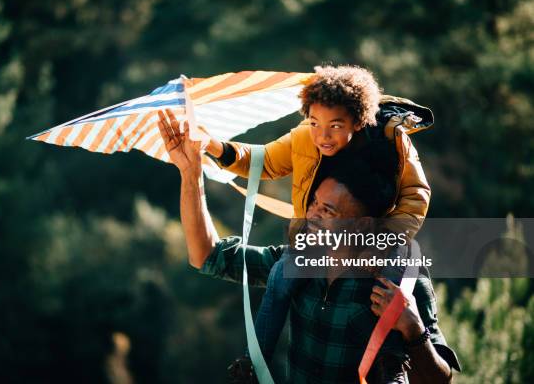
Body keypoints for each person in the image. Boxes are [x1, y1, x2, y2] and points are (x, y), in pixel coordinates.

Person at [156, 110, 460, 383]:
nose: (312, 215)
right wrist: (191, 171)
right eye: (314, 203)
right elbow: (206, 256)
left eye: (328, 211)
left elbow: (439, 380)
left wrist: (413, 330)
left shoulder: (401, 278)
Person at [202, 65, 433, 364]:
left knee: (387, 298)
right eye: (314, 122)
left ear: (359, 121)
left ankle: (390, 368)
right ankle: (252, 361)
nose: (322, 135)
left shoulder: (391, 139)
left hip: (376, 240)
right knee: (280, 280)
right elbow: (264, 161)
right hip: (319, 239)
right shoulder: (303, 137)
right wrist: (212, 146)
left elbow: (416, 196)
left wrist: (381, 242)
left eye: (335, 125)